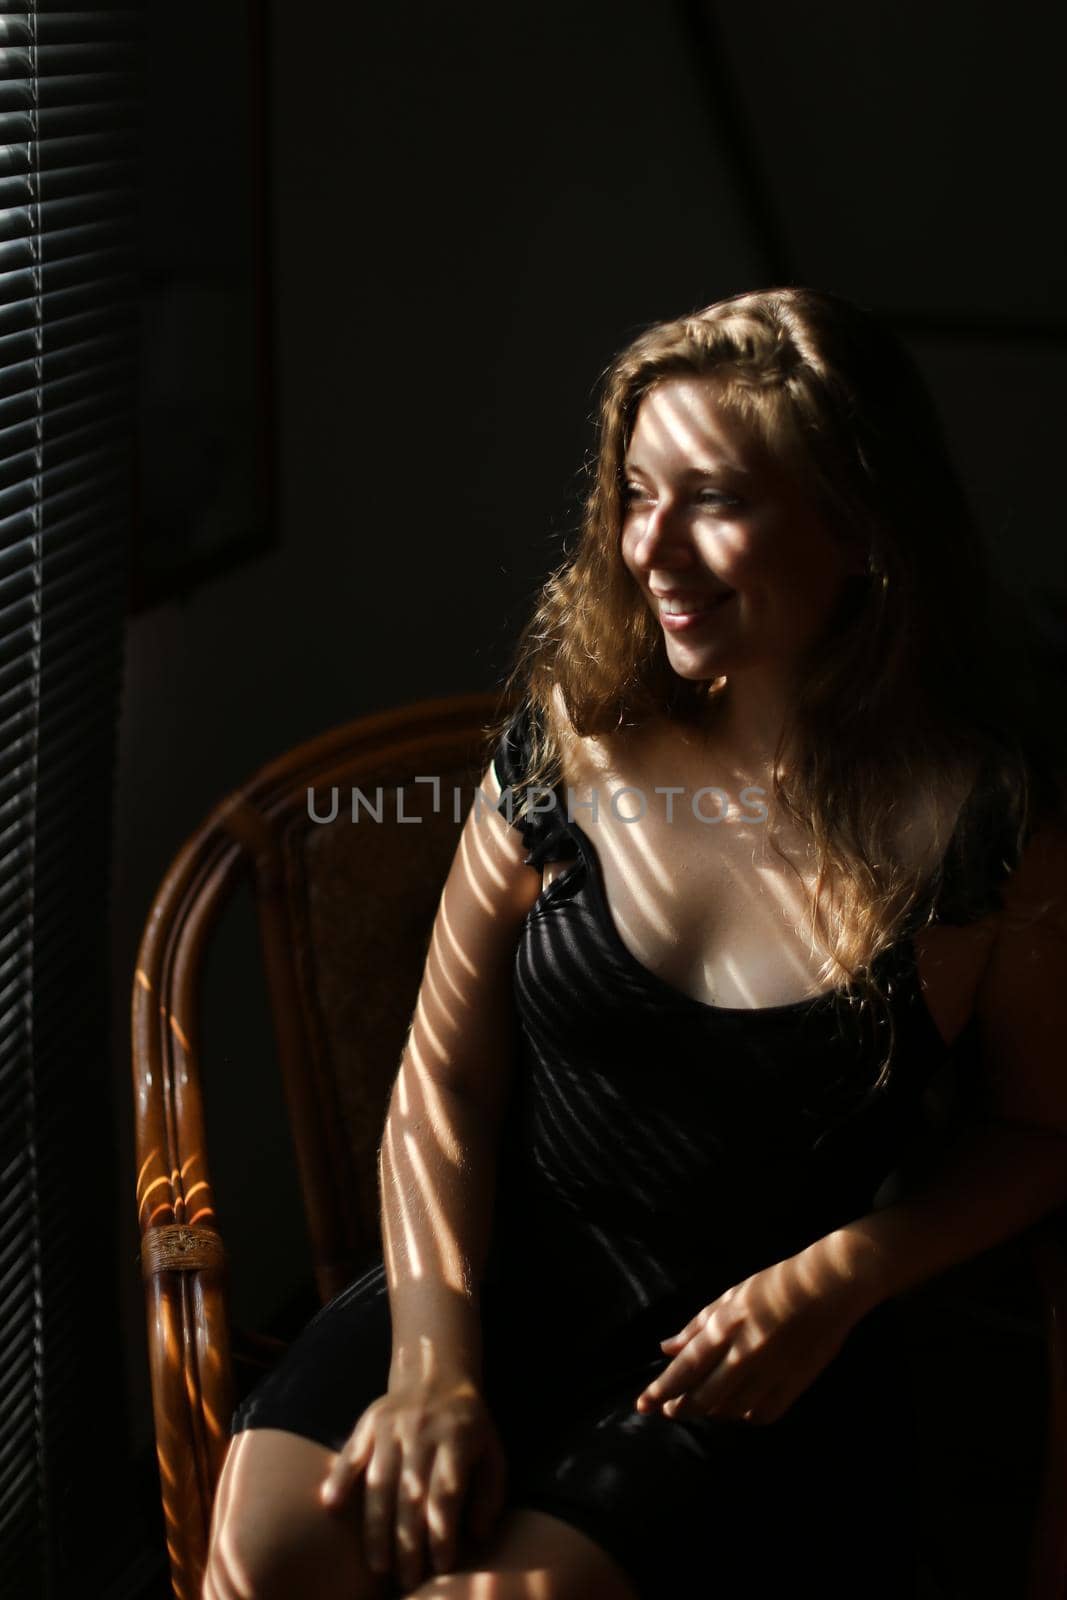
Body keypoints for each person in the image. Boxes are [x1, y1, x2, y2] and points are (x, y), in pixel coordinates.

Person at [202, 287, 1067, 1600]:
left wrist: (845, 1275)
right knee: (270, 1557)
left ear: (862, 529)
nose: (649, 549)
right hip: (486, 1269)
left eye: (713, 499)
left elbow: (1042, 1134)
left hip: (729, 1352)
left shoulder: (989, 833)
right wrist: (437, 1365)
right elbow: (445, 1080)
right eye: (634, 491)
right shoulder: (570, 744)